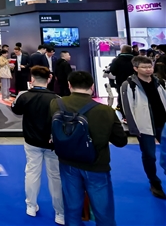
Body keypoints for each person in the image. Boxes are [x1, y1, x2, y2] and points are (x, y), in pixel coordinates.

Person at [49, 71, 128, 226]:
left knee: (72, 209)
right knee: (103, 212)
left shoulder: (56, 104)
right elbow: (121, 141)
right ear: (92, 87)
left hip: (67, 161)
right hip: (96, 164)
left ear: (69, 85)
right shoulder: (105, 111)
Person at [11, 66, 64, 224]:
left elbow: (16, 110)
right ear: (49, 79)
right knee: (55, 176)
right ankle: (60, 213)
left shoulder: (24, 96)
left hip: (31, 142)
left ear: (32, 79)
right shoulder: (57, 99)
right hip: (52, 143)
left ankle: (31, 206)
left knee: (32, 172)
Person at [121, 56, 166, 199]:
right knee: (149, 155)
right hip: (144, 126)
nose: (148, 70)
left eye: (150, 67)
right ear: (136, 68)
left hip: (163, 123)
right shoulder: (129, 85)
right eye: (144, 67)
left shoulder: (160, 82)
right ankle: (154, 182)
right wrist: (134, 128)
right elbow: (127, 107)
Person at [110, 45, 135, 118]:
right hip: (134, 82)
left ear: (122, 50)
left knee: (122, 98)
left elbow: (113, 71)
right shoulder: (135, 59)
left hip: (120, 82)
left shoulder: (116, 60)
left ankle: (124, 116)